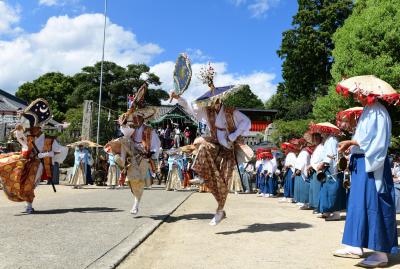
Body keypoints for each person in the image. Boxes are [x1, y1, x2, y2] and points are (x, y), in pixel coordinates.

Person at [171, 84, 251, 225]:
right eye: (211, 100)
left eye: (215, 100)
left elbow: (246, 122)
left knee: (224, 181)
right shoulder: (207, 111)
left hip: (228, 147)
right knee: (203, 148)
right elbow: (190, 108)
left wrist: (234, 134)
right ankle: (202, 175)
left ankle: (220, 211)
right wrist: (178, 97)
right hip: (215, 143)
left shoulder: (231, 111)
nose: (213, 103)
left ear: (220, 99)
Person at [334, 102, 398, 267]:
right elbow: (364, 139)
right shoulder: (368, 110)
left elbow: (375, 139)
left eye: (359, 91)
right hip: (362, 162)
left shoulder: (377, 110)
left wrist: (352, 143)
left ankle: (380, 253)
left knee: (373, 203)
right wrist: (353, 147)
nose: (356, 94)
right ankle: (355, 245)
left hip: (371, 163)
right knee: (358, 205)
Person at [0, 99, 67, 214]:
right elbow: (21, 139)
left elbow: (60, 151)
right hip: (25, 161)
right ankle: (25, 201)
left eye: (34, 128)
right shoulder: (28, 137)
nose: (31, 130)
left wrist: (48, 154)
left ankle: (29, 205)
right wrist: (19, 131)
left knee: (30, 184)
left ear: (39, 128)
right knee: (7, 166)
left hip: (37, 165)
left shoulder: (49, 140)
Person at [107, 105, 160, 215]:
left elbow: (156, 144)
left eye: (138, 117)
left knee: (138, 181)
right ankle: (121, 160)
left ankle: (136, 204)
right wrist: (123, 122)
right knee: (123, 139)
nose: (136, 119)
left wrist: (152, 153)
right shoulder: (131, 129)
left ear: (143, 118)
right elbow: (124, 131)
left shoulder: (150, 130)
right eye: (134, 117)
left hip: (144, 156)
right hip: (131, 155)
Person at [314, 123, 346, 221]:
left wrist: (323, 163)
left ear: (327, 131)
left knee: (333, 190)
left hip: (331, 168)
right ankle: (327, 211)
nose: (321, 133)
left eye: (322, 130)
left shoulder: (332, 140)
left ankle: (336, 213)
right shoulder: (328, 140)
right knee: (326, 189)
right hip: (327, 168)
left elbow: (331, 155)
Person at [307, 133, 324, 213]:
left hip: (317, 169)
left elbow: (320, 159)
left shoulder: (321, 147)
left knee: (317, 188)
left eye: (317, 137)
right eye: (314, 138)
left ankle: (318, 206)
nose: (315, 139)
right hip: (314, 168)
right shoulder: (317, 147)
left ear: (320, 138)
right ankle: (315, 205)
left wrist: (312, 165)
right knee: (313, 189)